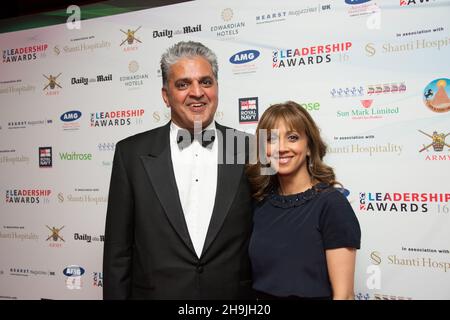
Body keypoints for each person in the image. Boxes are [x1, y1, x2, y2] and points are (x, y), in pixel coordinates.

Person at [103, 41, 254, 299]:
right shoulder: (130, 153)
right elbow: (118, 254)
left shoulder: (249, 147)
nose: (197, 92)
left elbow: (277, 227)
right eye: (183, 84)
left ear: (217, 87)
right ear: (165, 95)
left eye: (206, 82)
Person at [246, 101, 361, 300]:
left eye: (292, 137)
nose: (281, 148)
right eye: (272, 139)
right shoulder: (259, 203)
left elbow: (344, 295)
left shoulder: (331, 204)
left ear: (309, 147)